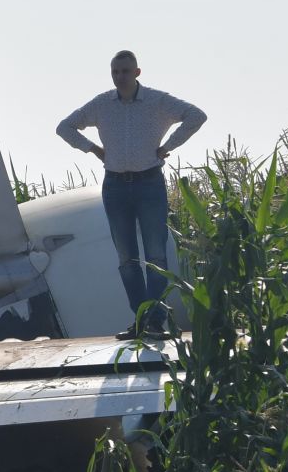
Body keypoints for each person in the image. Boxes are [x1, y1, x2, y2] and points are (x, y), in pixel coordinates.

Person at [55, 51, 207, 338]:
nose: (120, 77)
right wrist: (93, 149)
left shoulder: (156, 101)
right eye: (115, 72)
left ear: (137, 72)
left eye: (125, 71)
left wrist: (168, 145)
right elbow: (64, 127)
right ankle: (140, 319)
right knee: (126, 259)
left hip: (149, 183)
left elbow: (196, 116)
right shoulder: (102, 104)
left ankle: (154, 320)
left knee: (156, 256)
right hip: (115, 186)